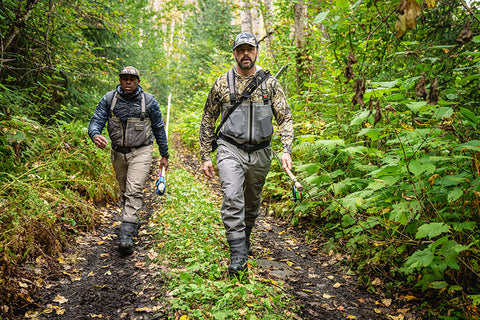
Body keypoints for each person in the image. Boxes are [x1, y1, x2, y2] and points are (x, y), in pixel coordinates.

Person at [199, 32, 294, 273]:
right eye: (240, 50)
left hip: (261, 151)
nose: (245, 54)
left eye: (249, 49)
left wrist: (286, 150)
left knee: (251, 202)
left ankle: (245, 237)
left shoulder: (270, 83)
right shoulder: (222, 83)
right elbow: (208, 120)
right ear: (234, 54)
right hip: (229, 148)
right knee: (232, 197)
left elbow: (285, 117)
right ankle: (238, 255)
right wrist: (205, 155)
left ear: (256, 52)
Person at [88, 66, 169, 256]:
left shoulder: (149, 102)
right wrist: (95, 134)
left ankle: (125, 237)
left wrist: (164, 155)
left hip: (141, 151)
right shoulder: (109, 99)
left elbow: (159, 129)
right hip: (117, 153)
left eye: (132, 79)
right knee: (124, 190)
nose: (128, 82)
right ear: (120, 80)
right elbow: (96, 120)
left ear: (138, 81)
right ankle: (132, 220)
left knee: (134, 190)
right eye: (124, 78)